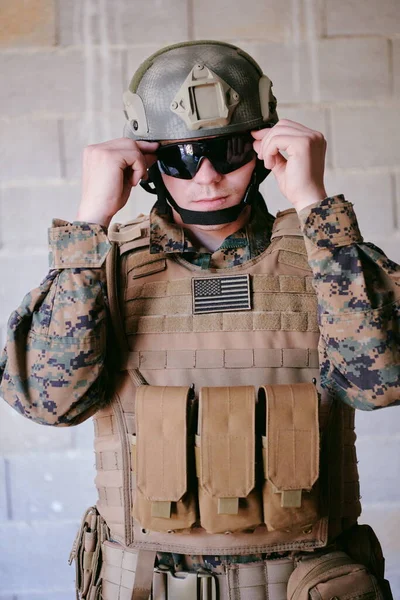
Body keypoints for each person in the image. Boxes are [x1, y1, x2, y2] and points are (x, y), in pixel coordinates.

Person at [0, 40, 398, 600]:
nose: (207, 177)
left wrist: (315, 205)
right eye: (182, 156)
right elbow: (50, 401)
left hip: (305, 584)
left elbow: (380, 384)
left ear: (263, 147)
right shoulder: (101, 265)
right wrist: (89, 222)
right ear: (147, 162)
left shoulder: (329, 258)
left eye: (228, 149)